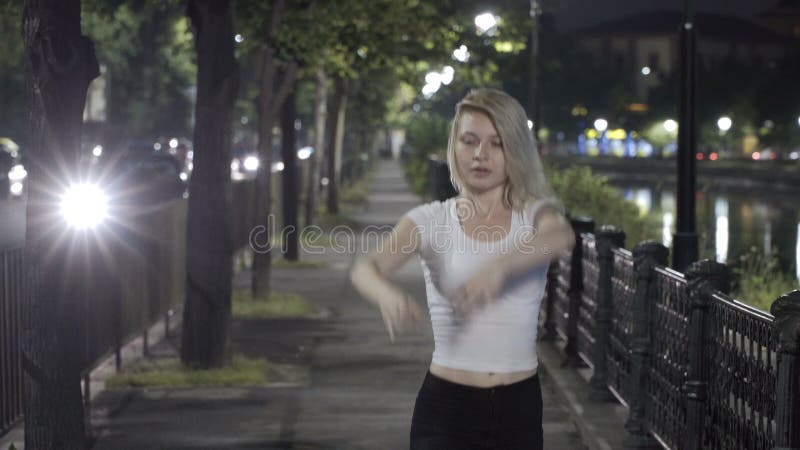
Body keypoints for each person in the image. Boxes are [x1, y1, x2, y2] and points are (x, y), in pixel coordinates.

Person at [350, 88, 575, 449]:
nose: (480, 155)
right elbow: (366, 267)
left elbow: (561, 236)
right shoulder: (431, 219)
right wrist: (385, 293)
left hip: (519, 409)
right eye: (470, 141)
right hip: (445, 411)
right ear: (455, 147)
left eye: (496, 143)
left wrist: (500, 267)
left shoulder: (535, 214)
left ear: (514, 150)